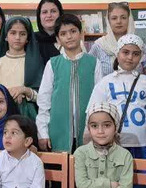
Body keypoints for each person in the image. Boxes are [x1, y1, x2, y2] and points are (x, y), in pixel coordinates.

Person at [36, 14, 103, 153]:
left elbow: (99, 100)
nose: (69, 36)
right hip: (58, 131)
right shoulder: (53, 64)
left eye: (73, 31)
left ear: (81, 34)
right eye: (63, 33)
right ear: (58, 39)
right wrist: (43, 132)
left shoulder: (94, 63)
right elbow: (44, 101)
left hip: (88, 131)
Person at [86, 34, 146, 160]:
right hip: (113, 144)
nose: (130, 57)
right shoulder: (105, 82)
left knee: (143, 173)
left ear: (141, 56)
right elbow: (92, 114)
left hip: (144, 145)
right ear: (117, 53)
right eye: (125, 52)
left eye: (135, 54)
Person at [0, 17, 43, 121]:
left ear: (27, 38)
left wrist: (25, 90)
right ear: (6, 36)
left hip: (28, 117)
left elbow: (43, 97)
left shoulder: (36, 63)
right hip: (2, 115)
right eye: (13, 33)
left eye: (22, 34)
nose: (17, 37)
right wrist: (8, 95)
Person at [89, 2, 146, 77]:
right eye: (114, 18)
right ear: (108, 21)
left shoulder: (140, 45)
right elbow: (88, 73)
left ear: (129, 19)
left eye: (123, 18)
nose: (119, 21)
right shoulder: (98, 46)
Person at [33, 0, 63, 64]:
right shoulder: (31, 40)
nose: (49, 15)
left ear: (60, 14)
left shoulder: (68, 39)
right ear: (39, 16)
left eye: (53, 11)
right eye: (44, 12)